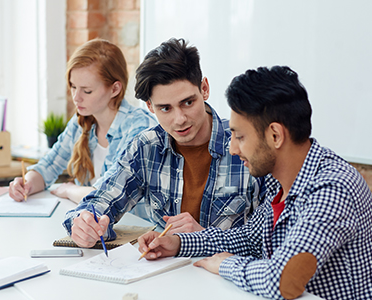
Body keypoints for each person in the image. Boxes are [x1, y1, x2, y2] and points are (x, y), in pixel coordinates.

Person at [137, 66, 372, 300]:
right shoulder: (279, 181)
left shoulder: (332, 188)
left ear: (275, 136)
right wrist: (177, 243)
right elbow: (250, 238)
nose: (232, 148)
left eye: (240, 137)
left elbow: (283, 281)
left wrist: (226, 264)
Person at [63, 38, 264, 248]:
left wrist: (204, 238)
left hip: (225, 274)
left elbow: (270, 241)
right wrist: (84, 223)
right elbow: (98, 201)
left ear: (204, 89)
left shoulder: (246, 147)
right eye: (165, 108)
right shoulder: (146, 147)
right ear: (150, 106)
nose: (179, 119)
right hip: (161, 274)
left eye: (188, 102)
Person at [9, 38, 157, 203]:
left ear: (115, 89)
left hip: (134, 226)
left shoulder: (140, 128)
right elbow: (48, 166)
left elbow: (107, 195)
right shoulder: (81, 121)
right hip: (90, 223)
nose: (76, 98)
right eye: (73, 87)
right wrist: (26, 183)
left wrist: (70, 189)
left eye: (87, 91)